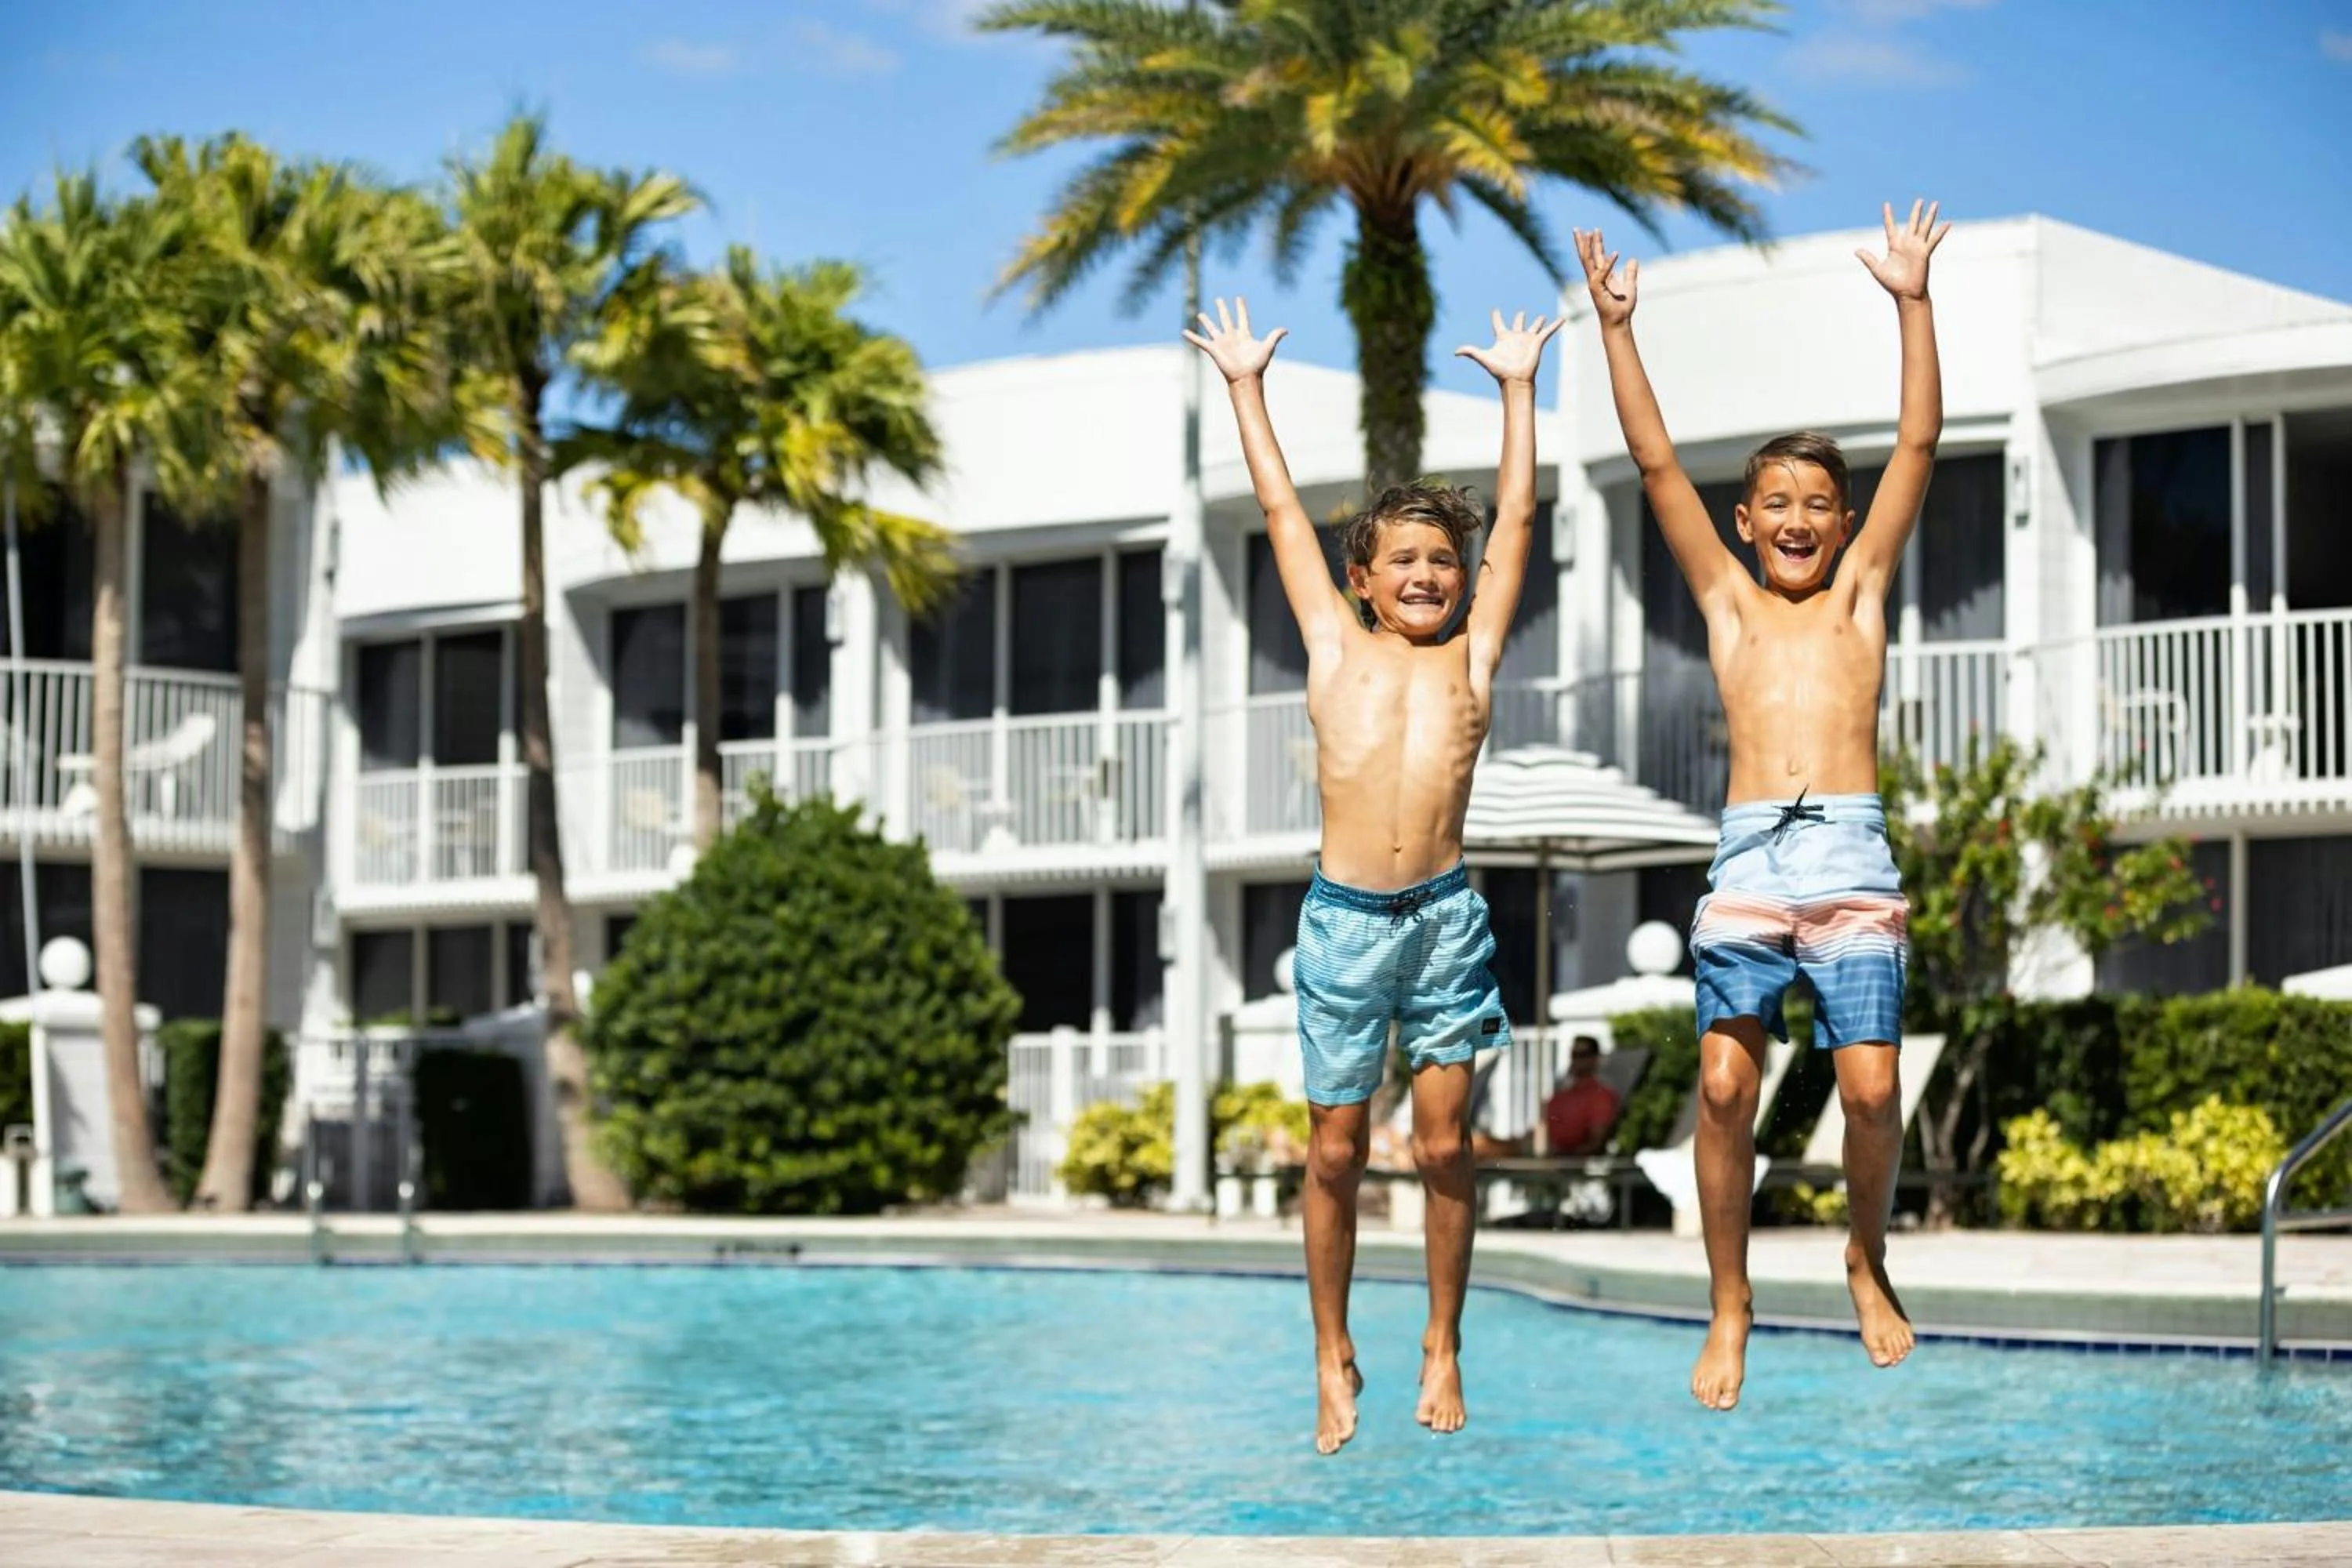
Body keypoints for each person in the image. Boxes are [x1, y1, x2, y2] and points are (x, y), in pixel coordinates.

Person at [1575, 201, 1951, 1412]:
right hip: (1748, 859)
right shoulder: (1729, 608)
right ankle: (1729, 1300)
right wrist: (1617, 330)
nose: (1796, 520)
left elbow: (1918, 447)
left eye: (1816, 506)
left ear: (1843, 525)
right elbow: (1653, 465)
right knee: (1728, 1089)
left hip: (1848, 845)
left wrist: (1911, 300)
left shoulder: (1861, 597)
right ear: (1748, 525)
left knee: (1874, 1089)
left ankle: (1865, 1255)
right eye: (1775, 505)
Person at [1187, 297, 1561, 1455]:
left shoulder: (1478, 651)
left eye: (1443, 561)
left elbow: (1523, 516)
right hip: (1345, 923)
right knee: (1336, 1151)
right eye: (1403, 559)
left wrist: (1515, 390)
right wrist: (1245, 388)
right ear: (1362, 579)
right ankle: (1327, 1349)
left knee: (1444, 1147)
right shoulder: (1333, 639)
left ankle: (1443, 1341)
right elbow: (1280, 509)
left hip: (1446, 922)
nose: (1427, 575)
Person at [1542, 1036, 1621, 1156]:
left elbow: (1596, 1144)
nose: (1578, 1060)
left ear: (1596, 1059)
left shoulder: (1600, 1096)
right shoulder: (1560, 1096)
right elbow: (1544, 1130)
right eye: (1574, 1055)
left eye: (1583, 1055)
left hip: (1573, 1166)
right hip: (1550, 1160)